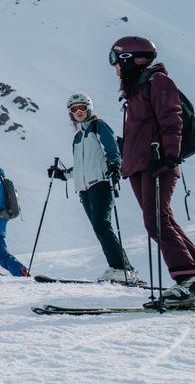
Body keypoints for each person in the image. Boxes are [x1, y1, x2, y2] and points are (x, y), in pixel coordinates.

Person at [111, 36, 195, 304]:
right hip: (139, 165)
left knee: (156, 221)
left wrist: (169, 156)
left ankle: (187, 281)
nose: (115, 67)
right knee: (162, 220)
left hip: (157, 164)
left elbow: (172, 120)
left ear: (129, 59)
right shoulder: (136, 90)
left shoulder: (158, 83)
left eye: (115, 60)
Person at [66, 93, 136, 283]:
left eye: (82, 108)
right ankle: (121, 268)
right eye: (74, 109)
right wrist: (63, 174)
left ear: (89, 108)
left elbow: (111, 147)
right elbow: (81, 165)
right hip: (84, 189)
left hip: (101, 183)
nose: (79, 112)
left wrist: (114, 164)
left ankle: (122, 268)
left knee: (102, 225)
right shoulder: (78, 138)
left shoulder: (98, 126)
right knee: (99, 228)